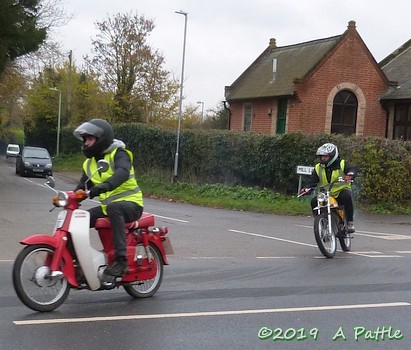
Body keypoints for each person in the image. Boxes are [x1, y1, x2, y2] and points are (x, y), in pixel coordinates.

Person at [73, 118, 144, 277]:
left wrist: (102, 187)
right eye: (84, 140)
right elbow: (82, 186)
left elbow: (122, 173)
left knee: (114, 207)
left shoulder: (119, 154)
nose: (86, 143)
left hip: (132, 205)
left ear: (101, 139)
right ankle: (76, 262)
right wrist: (71, 197)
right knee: (80, 218)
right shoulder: (89, 163)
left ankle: (121, 261)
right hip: (109, 208)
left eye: (89, 139)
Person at [300, 143, 358, 233]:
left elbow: (352, 169)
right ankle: (321, 222)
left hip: (340, 192)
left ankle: (350, 222)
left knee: (347, 196)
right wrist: (306, 188)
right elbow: (312, 181)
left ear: (332, 156)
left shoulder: (342, 164)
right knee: (314, 201)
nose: (323, 158)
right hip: (326, 194)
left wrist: (350, 175)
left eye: (325, 156)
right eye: (322, 156)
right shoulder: (318, 167)